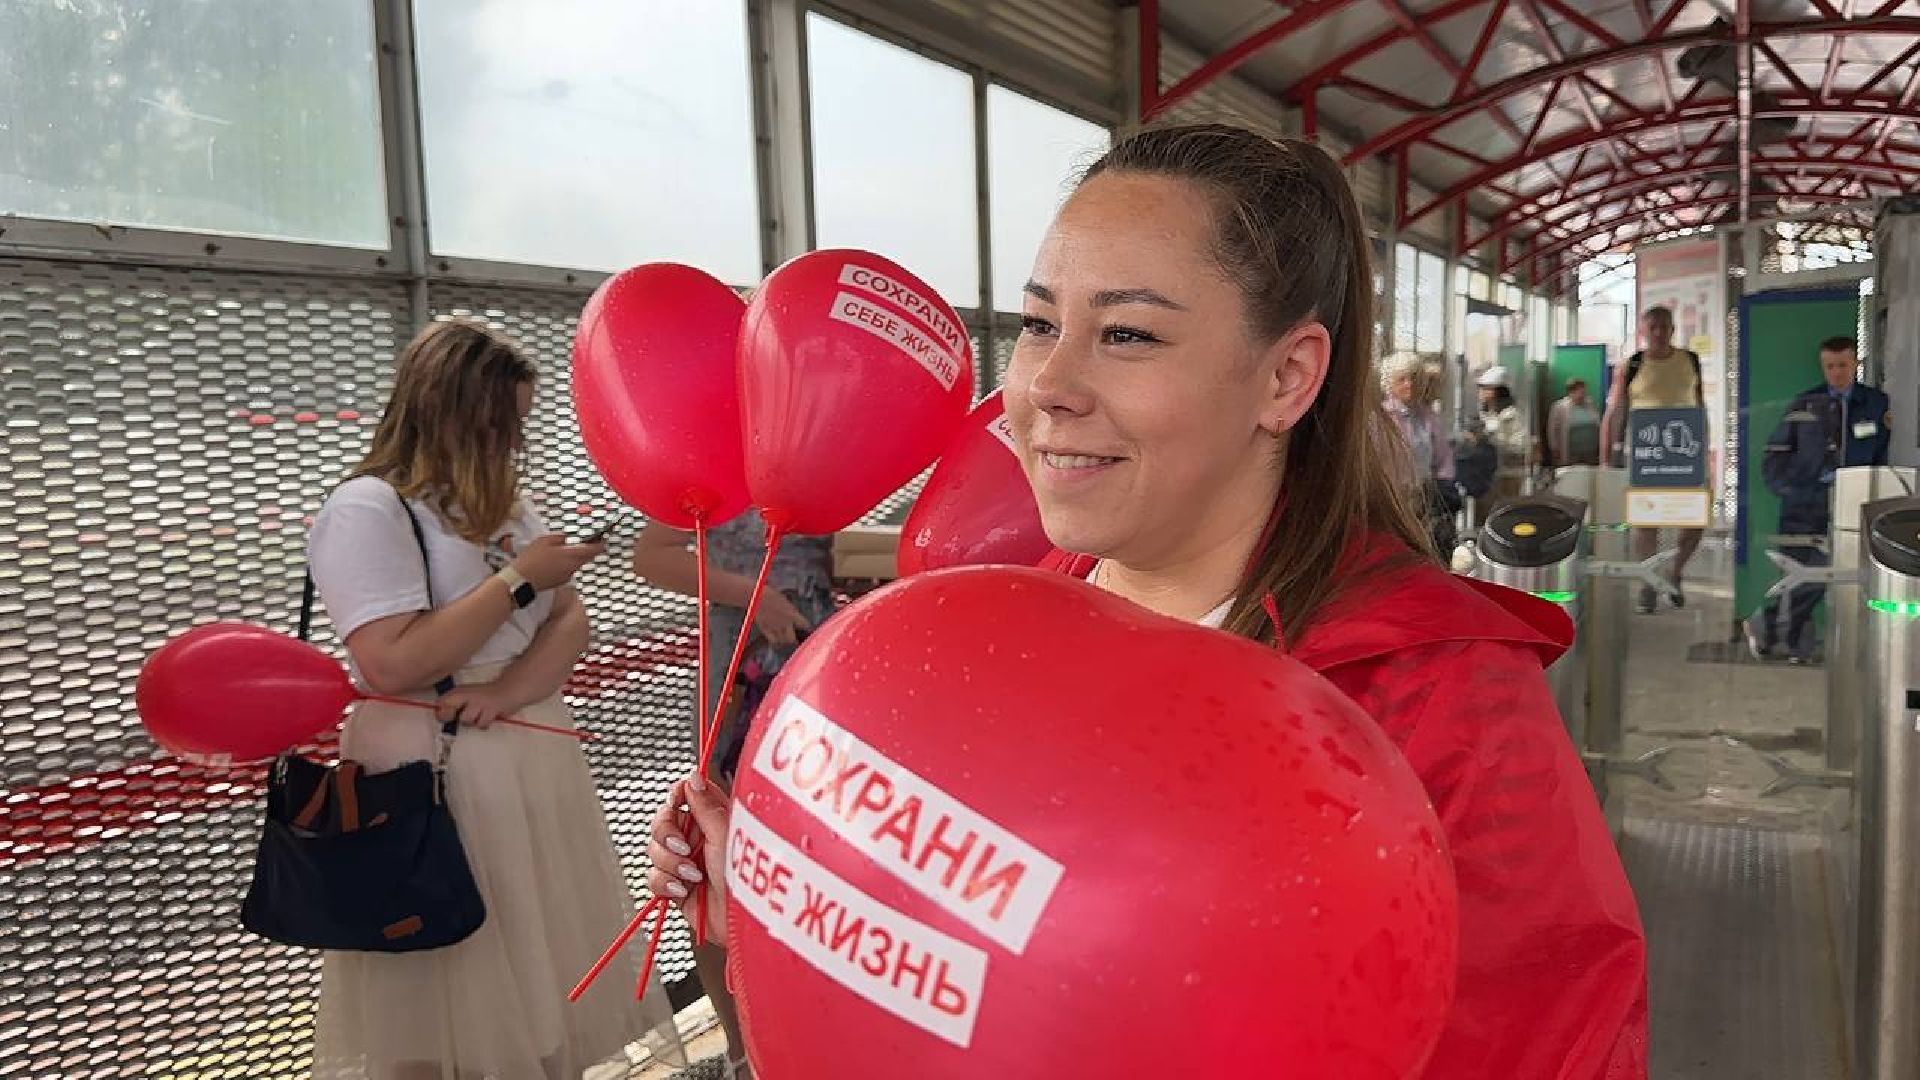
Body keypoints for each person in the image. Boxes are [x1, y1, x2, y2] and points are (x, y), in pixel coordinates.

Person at [647, 123, 1648, 1078]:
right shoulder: (1001, 634)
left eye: (1126, 333)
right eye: (1039, 324)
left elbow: (1546, 1046)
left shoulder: (1434, 700)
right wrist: (790, 892)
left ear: (1287, 377)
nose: (1046, 385)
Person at [306, 319, 682, 1080]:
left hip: (525, 755)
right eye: (498, 421)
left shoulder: (506, 505)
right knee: (443, 987)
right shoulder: (368, 508)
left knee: (537, 975)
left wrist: (511, 687)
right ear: (443, 406)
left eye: (518, 424)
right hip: (435, 775)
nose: (512, 442)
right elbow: (390, 660)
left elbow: (571, 616)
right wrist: (516, 582)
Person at [631, 511, 836, 1080]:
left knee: (812, 847)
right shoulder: (713, 457)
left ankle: (803, 1027)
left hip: (812, 641)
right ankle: (743, 1047)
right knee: (719, 849)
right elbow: (652, 555)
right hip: (741, 652)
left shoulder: (806, 441)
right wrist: (754, 596)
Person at [1745, 337, 1892, 663]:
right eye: (1830, 367)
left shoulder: (1875, 404)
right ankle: (1789, 638)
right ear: (1823, 367)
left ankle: (1771, 629)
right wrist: (1789, 490)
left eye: (1843, 365)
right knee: (1801, 573)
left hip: (1854, 503)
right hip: (1805, 505)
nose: (1837, 373)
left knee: (1832, 571)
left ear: (1856, 364)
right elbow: (1775, 454)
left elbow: (1882, 455)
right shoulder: (1805, 404)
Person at [1601, 306, 1706, 613]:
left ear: (1673, 329)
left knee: (1693, 523)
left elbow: (1700, 408)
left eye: (1664, 327)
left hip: (1685, 456)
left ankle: (1674, 572)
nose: (1659, 333)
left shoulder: (1690, 361)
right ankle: (1648, 583)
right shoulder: (1631, 365)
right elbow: (1615, 412)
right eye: (1653, 328)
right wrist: (1606, 457)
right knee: (1646, 525)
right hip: (1647, 457)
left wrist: (1706, 451)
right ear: (1644, 332)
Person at [1382, 351, 1460, 557]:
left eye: (1415, 378)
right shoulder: (1381, 419)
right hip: (1393, 498)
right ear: (1389, 383)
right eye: (1402, 379)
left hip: (1425, 495)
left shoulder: (1428, 417)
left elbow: (1444, 457)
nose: (1409, 384)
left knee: (1426, 552)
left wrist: (1444, 486)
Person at [1474, 365, 1529, 522]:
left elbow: (1520, 446)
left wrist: (1493, 442)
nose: (1482, 393)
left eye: (1487, 388)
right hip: (1485, 478)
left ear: (1499, 391)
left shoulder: (1513, 417)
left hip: (1508, 479)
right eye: (1482, 388)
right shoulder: (1482, 415)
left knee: (1505, 518)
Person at [1548, 377, 1603, 470]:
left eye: (1584, 391)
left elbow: (1597, 423)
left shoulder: (1590, 404)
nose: (1583, 394)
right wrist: (1554, 448)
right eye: (1580, 392)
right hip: (1571, 452)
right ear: (1571, 392)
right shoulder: (1559, 407)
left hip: (1590, 451)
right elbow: (1552, 430)